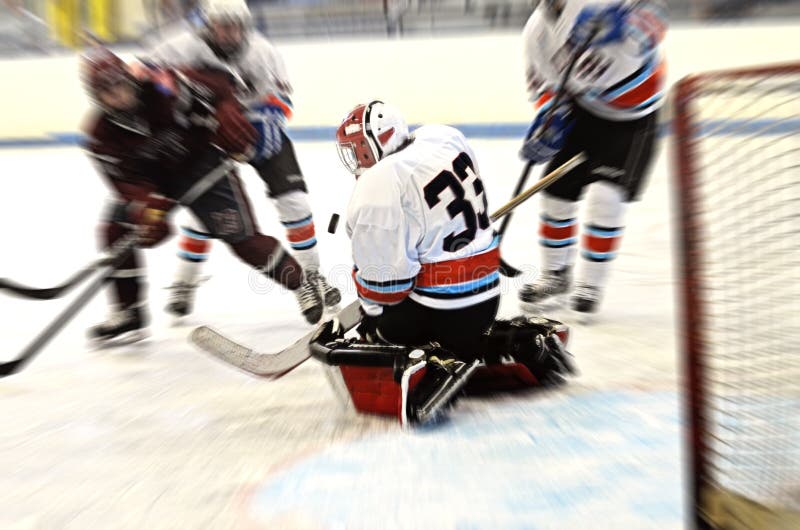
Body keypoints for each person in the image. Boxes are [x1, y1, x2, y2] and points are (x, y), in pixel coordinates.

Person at [331, 101, 573, 424]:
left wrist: (373, 320)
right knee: (460, 327)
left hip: (439, 311)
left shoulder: (378, 184)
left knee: (380, 325)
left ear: (380, 141)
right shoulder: (443, 138)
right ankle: (517, 342)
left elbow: (387, 289)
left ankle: (435, 369)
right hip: (487, 296)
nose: (357, 159)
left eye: (359, 149)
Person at [81, 49, 324, 345]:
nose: (117, 95)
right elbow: (125, 183)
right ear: (95, 96)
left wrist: (226, 110)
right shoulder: (99, 136)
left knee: (243, 241)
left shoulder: (162, 87)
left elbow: (220, 84)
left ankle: (300, 283)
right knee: (115, 230)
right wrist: (145, 205)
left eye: (119, 84)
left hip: (202, 168)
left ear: (130, 79)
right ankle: (129, 312)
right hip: (156, 184)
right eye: (106, 91)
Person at [148, 0, 340, 318]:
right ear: (207, 26)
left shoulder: (262, 52)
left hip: (261, 130)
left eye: (235, 25)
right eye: (222, 25)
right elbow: (145, 75)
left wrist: (267, 124)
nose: (229, 32)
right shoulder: (181, 48)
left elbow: (282, 98)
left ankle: (313, 276)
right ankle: (185, 281)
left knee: (295, 203)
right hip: (209, 137)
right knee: (206, 214)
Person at [517, 0, 666, 314]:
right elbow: (543, 85)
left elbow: (656, 19)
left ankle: (591, 285)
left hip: (632, 121)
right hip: (583, 113)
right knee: (555, 195)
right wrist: (549, 118)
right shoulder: (536, 31)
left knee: (605, 197)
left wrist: (633, 25)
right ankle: (555, 275)